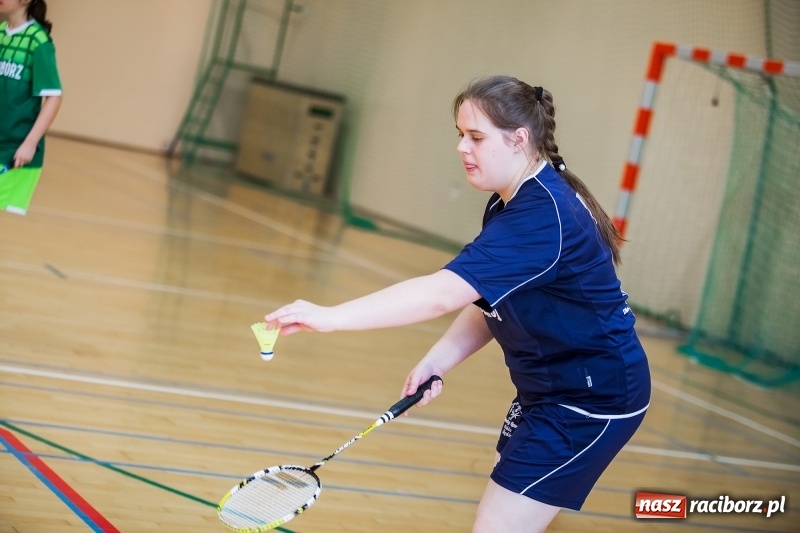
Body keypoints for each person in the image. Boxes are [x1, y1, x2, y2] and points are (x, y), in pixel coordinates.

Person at [265, 75, 651, 532]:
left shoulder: (544, 216)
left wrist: (328, 318)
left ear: (519, 139)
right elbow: (487, 296)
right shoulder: (509, 201)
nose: (462, 147)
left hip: (590, 399)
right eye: (460, 135)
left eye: (476, 136)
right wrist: (439, 360)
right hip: (548, 388)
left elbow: (441, 293)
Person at [0, 0, 62, 215]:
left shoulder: (38, 42)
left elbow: (54, 97)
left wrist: (30, 143)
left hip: (13, 149)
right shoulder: (0, 33)